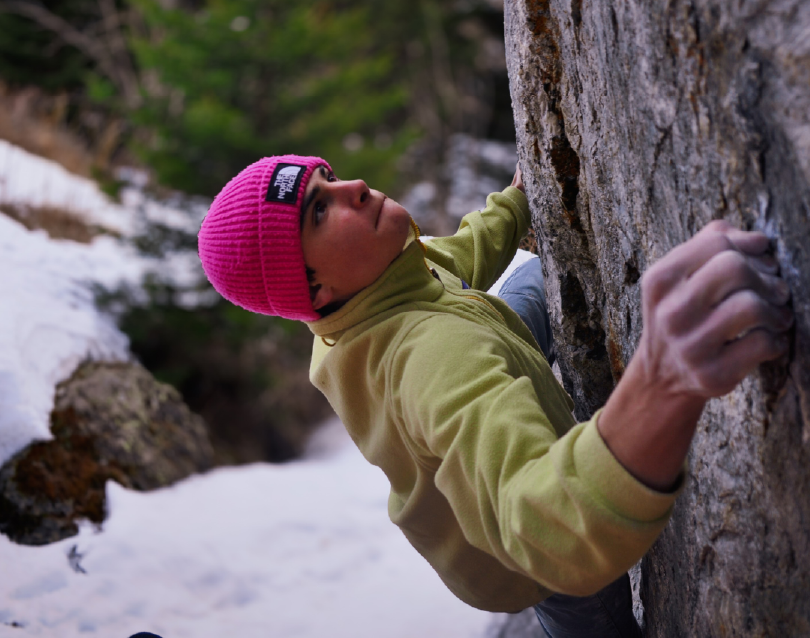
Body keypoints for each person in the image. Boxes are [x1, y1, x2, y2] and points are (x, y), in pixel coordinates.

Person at [198, 154, 792, 637]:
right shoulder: (431, 361)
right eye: (320, 211)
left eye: (328, 179)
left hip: (470, 352)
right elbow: (546, 528)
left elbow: (457, 256)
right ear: (314, 286)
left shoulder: (373, 286)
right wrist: (664, 382)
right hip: (516, 548)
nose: (353, 185)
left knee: (531, 281)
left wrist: (516, 199)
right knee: (590, 616)